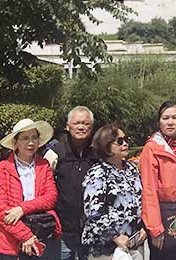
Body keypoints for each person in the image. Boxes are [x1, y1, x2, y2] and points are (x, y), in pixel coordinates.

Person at [0, 118, 61, 260]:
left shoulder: (43, 165)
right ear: (15, 143)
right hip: (10, 239)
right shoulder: (2, 168)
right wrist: (26, 236)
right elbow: (0, 210)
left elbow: (51, 197)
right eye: (25, 138)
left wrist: (22, 208)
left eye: (34, 137)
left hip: (42, 234)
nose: (31, 142)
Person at [140, 101, 176, 260]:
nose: (170, 122)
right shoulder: (152, 148)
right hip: (167, 211)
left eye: (175, 117)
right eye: (165, 118)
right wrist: (155, 227)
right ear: (159, 121)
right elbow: (148, 190)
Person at [82, 124, 147, 260]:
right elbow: (93, 212)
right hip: (106, 249)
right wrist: (115, 236)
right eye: (119, 141)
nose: (125, 144)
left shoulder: (132, 169)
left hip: (134, 244)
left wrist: (143, 226)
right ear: (105, 145)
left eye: (126, 139)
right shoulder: (98, 173)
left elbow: (140, 200)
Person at [45, 106, 99, 260]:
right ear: (67, 126)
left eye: (86, 123)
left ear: (92, 127)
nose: (81, 127)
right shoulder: (56, 151)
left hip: (92, 231)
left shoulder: (99, 153)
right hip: (63, 230)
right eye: (76, 123)